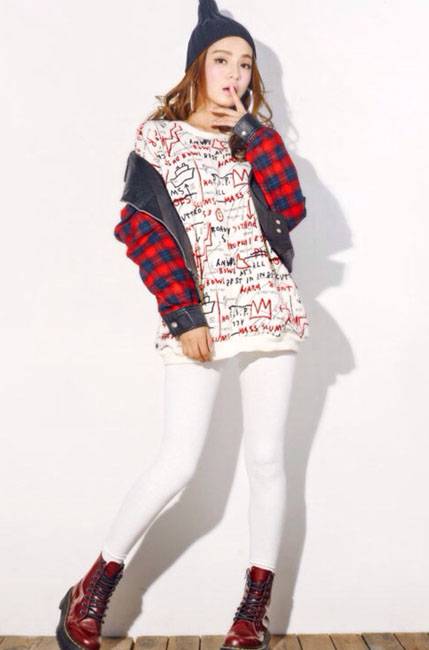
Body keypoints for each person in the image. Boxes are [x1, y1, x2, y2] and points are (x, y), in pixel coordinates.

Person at [55, 1, 310, 649]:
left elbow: (290, 206)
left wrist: (252, 132)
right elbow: (141, 232)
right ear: (196, 67)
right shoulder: (158, 140)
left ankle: (252, 611)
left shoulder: (253, 138)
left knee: (267, 460)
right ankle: (93, 586)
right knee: (178, 462)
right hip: (199, 315)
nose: (234, 74)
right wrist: (183, 313)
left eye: (245, 64)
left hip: (268, 307)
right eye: (221, 60)